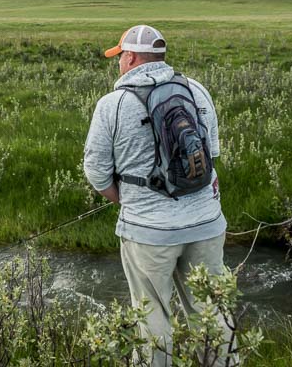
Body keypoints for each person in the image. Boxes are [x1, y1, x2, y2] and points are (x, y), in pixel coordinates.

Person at [83, 24, 235, 366]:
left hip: (148, 232)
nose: (118, 62)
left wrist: (126, 199)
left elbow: (95, 171)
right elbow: (211, 153)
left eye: (120, 56)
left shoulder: (113, 104)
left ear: (132, 57)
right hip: (207, 223)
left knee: (152, 316)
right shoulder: (196, 90)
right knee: (212, 310)